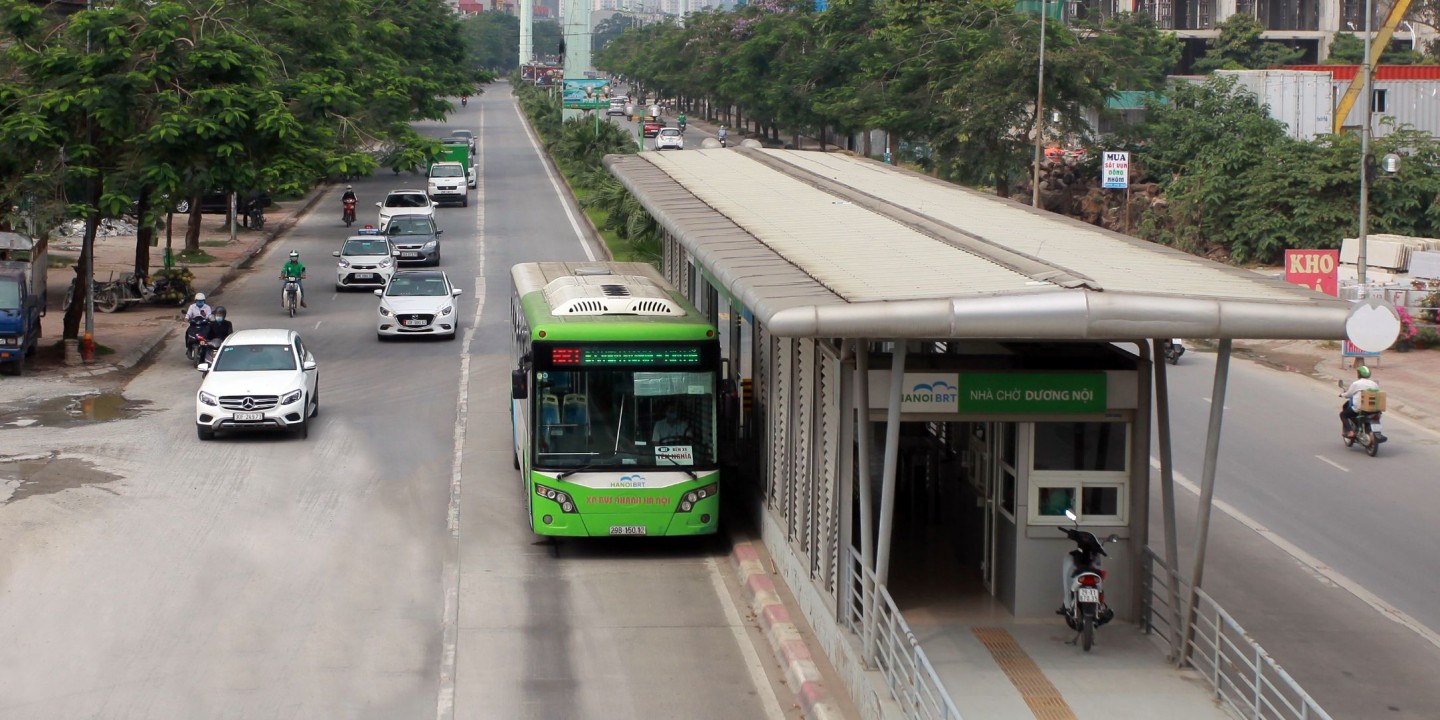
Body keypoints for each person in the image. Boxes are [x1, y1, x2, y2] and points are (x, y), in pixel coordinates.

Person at [1339, 365, 1379, 438]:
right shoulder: (1374, 384)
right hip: (1373, 408)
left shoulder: (1356, 384)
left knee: (1343, 415)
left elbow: (1349, 394)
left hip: (1360, 408)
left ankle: (1350, 432)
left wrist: (1342, 395)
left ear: (1359, 374)